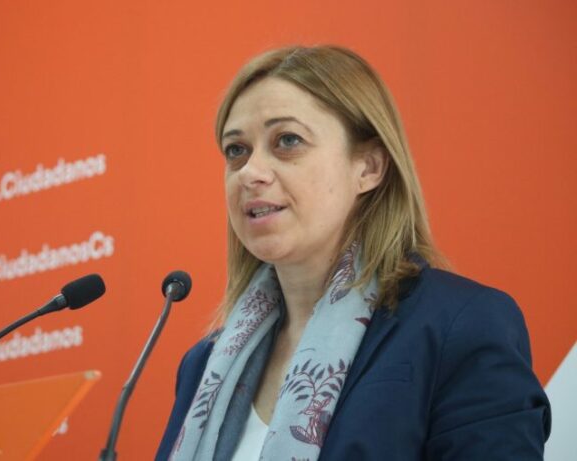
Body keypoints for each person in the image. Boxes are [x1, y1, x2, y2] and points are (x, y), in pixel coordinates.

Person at [155, 45, 551, 460]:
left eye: (287, 141)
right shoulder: (202, 365)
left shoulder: (460, 327)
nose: (250, 172)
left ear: (369, 167)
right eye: (236, 150)